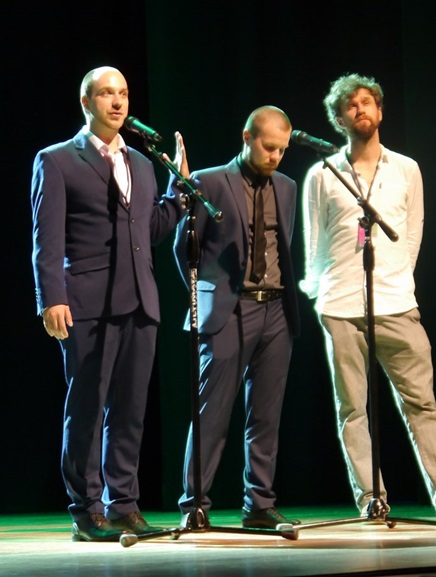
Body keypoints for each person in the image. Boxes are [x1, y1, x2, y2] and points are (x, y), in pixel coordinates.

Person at [299, 73, 436, 523]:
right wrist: (318, 293)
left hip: (396, 303)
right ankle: (371, 500)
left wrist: (400, 280)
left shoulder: (406, 168)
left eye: (367, 102)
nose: (360, 110)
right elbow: (313, 242)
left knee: (422, 404)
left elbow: (412, 233)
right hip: (340, 305)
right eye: (351, 105)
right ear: (339, 119)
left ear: (380, 111)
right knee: (353, 410)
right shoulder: (322, 173)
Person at [31, 65, 188, 542]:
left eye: (123, 93)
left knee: (130, 410)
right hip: (87, 304)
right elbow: (46, 238)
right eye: (105, 93)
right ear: (86, 102)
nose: (117, 102)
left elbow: (151, 229)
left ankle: (124, 504)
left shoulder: (141, 162)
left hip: (140, 300)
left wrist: (178, 191)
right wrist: (51, 298)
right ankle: (86, 509)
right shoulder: (58, 159)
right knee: (87, 408)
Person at [171, 106, 301, 530]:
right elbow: (184, 249)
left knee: (266, 414)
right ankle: (195, 503)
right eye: (269, 147)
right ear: (247, 137)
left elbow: (284, 246)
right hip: (229, 310)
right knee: (212, 412)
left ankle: (259, 504)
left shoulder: (287, 187)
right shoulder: (209, 181)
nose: (275, 156)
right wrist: (204, 295)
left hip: (276, 310)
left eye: (282, 150)